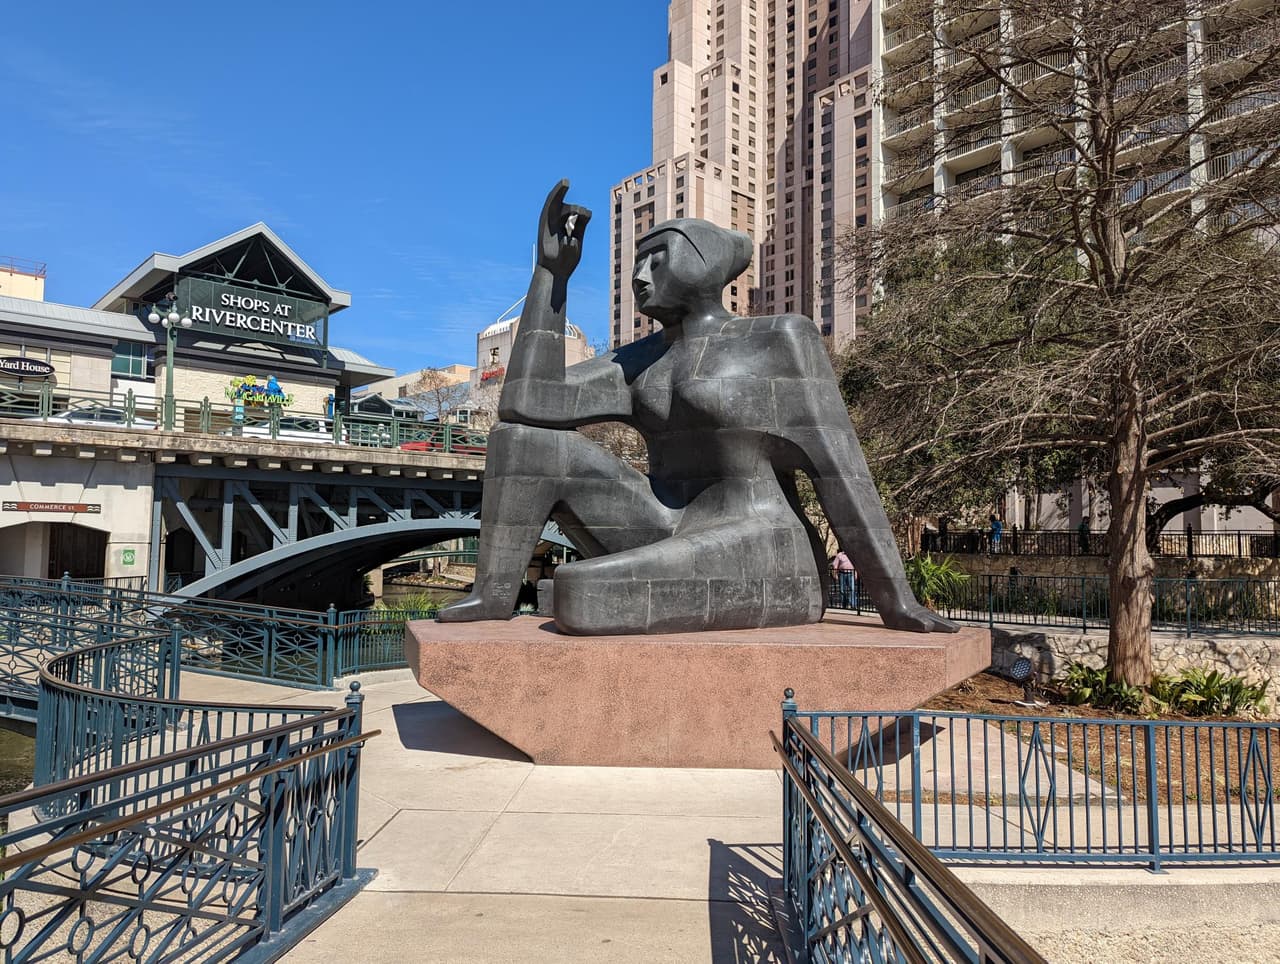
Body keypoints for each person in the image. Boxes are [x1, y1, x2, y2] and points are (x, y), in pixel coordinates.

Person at [440, 181, 956, 636]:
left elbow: (841, 472)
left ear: (702, 262)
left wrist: (896, 601)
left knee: (576, 592)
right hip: (664, 523)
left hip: (759, 543)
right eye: (637, 262)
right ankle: (493, 596)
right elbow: (527, 403)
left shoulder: (777, 339)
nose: (640, 275)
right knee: (521, 441)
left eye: (656, 260)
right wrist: (552, 275)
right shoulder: (637, 360)